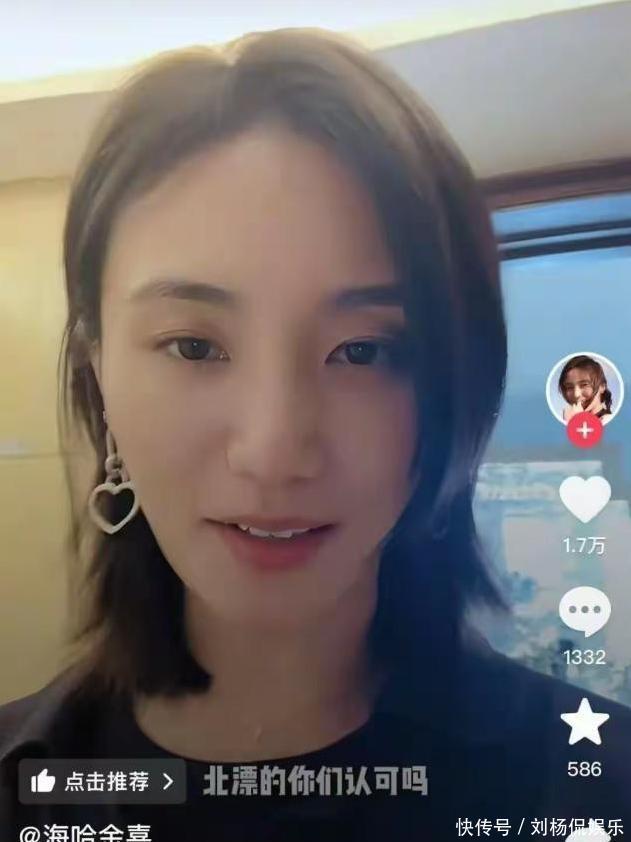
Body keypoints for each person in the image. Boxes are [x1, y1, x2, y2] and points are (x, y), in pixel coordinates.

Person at [1, 27, 630, 841]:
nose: (273, 451)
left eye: (362, 351)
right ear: (98, 375)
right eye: (193, 347)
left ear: (450, 389)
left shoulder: (592, 785)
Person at [558, 354, 613, 422]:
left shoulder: (607, 420)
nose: (576, 394)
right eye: (569, 387)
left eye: (584, 385)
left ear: (602, 386)